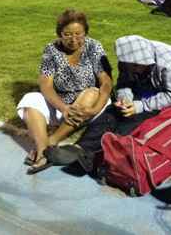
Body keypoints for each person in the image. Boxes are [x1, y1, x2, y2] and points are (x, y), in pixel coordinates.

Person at [47, 34, 171, 173]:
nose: (136, 68)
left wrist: (140, 106)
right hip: (143, 94)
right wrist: (124, 99)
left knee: (135, 121)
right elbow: (124, 83)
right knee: (113, 111)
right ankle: (80, 148)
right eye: (133, 66)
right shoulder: (127, 59)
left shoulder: (169, 59)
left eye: (139, 65)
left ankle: (96, 157)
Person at [15, 10, 112, 174]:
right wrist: (63, 108)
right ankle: (43, 151)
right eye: (67, 34)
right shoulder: (51, 50)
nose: (73, 39)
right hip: (61, 105)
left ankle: (51, 142)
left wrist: (94, 110)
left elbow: (106, 83)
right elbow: (46, 85)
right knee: (30, 99)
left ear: (85, 33)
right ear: (59, 34)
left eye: (78, 34)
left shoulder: (94, 47)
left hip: (89, 106)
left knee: (91, 94)